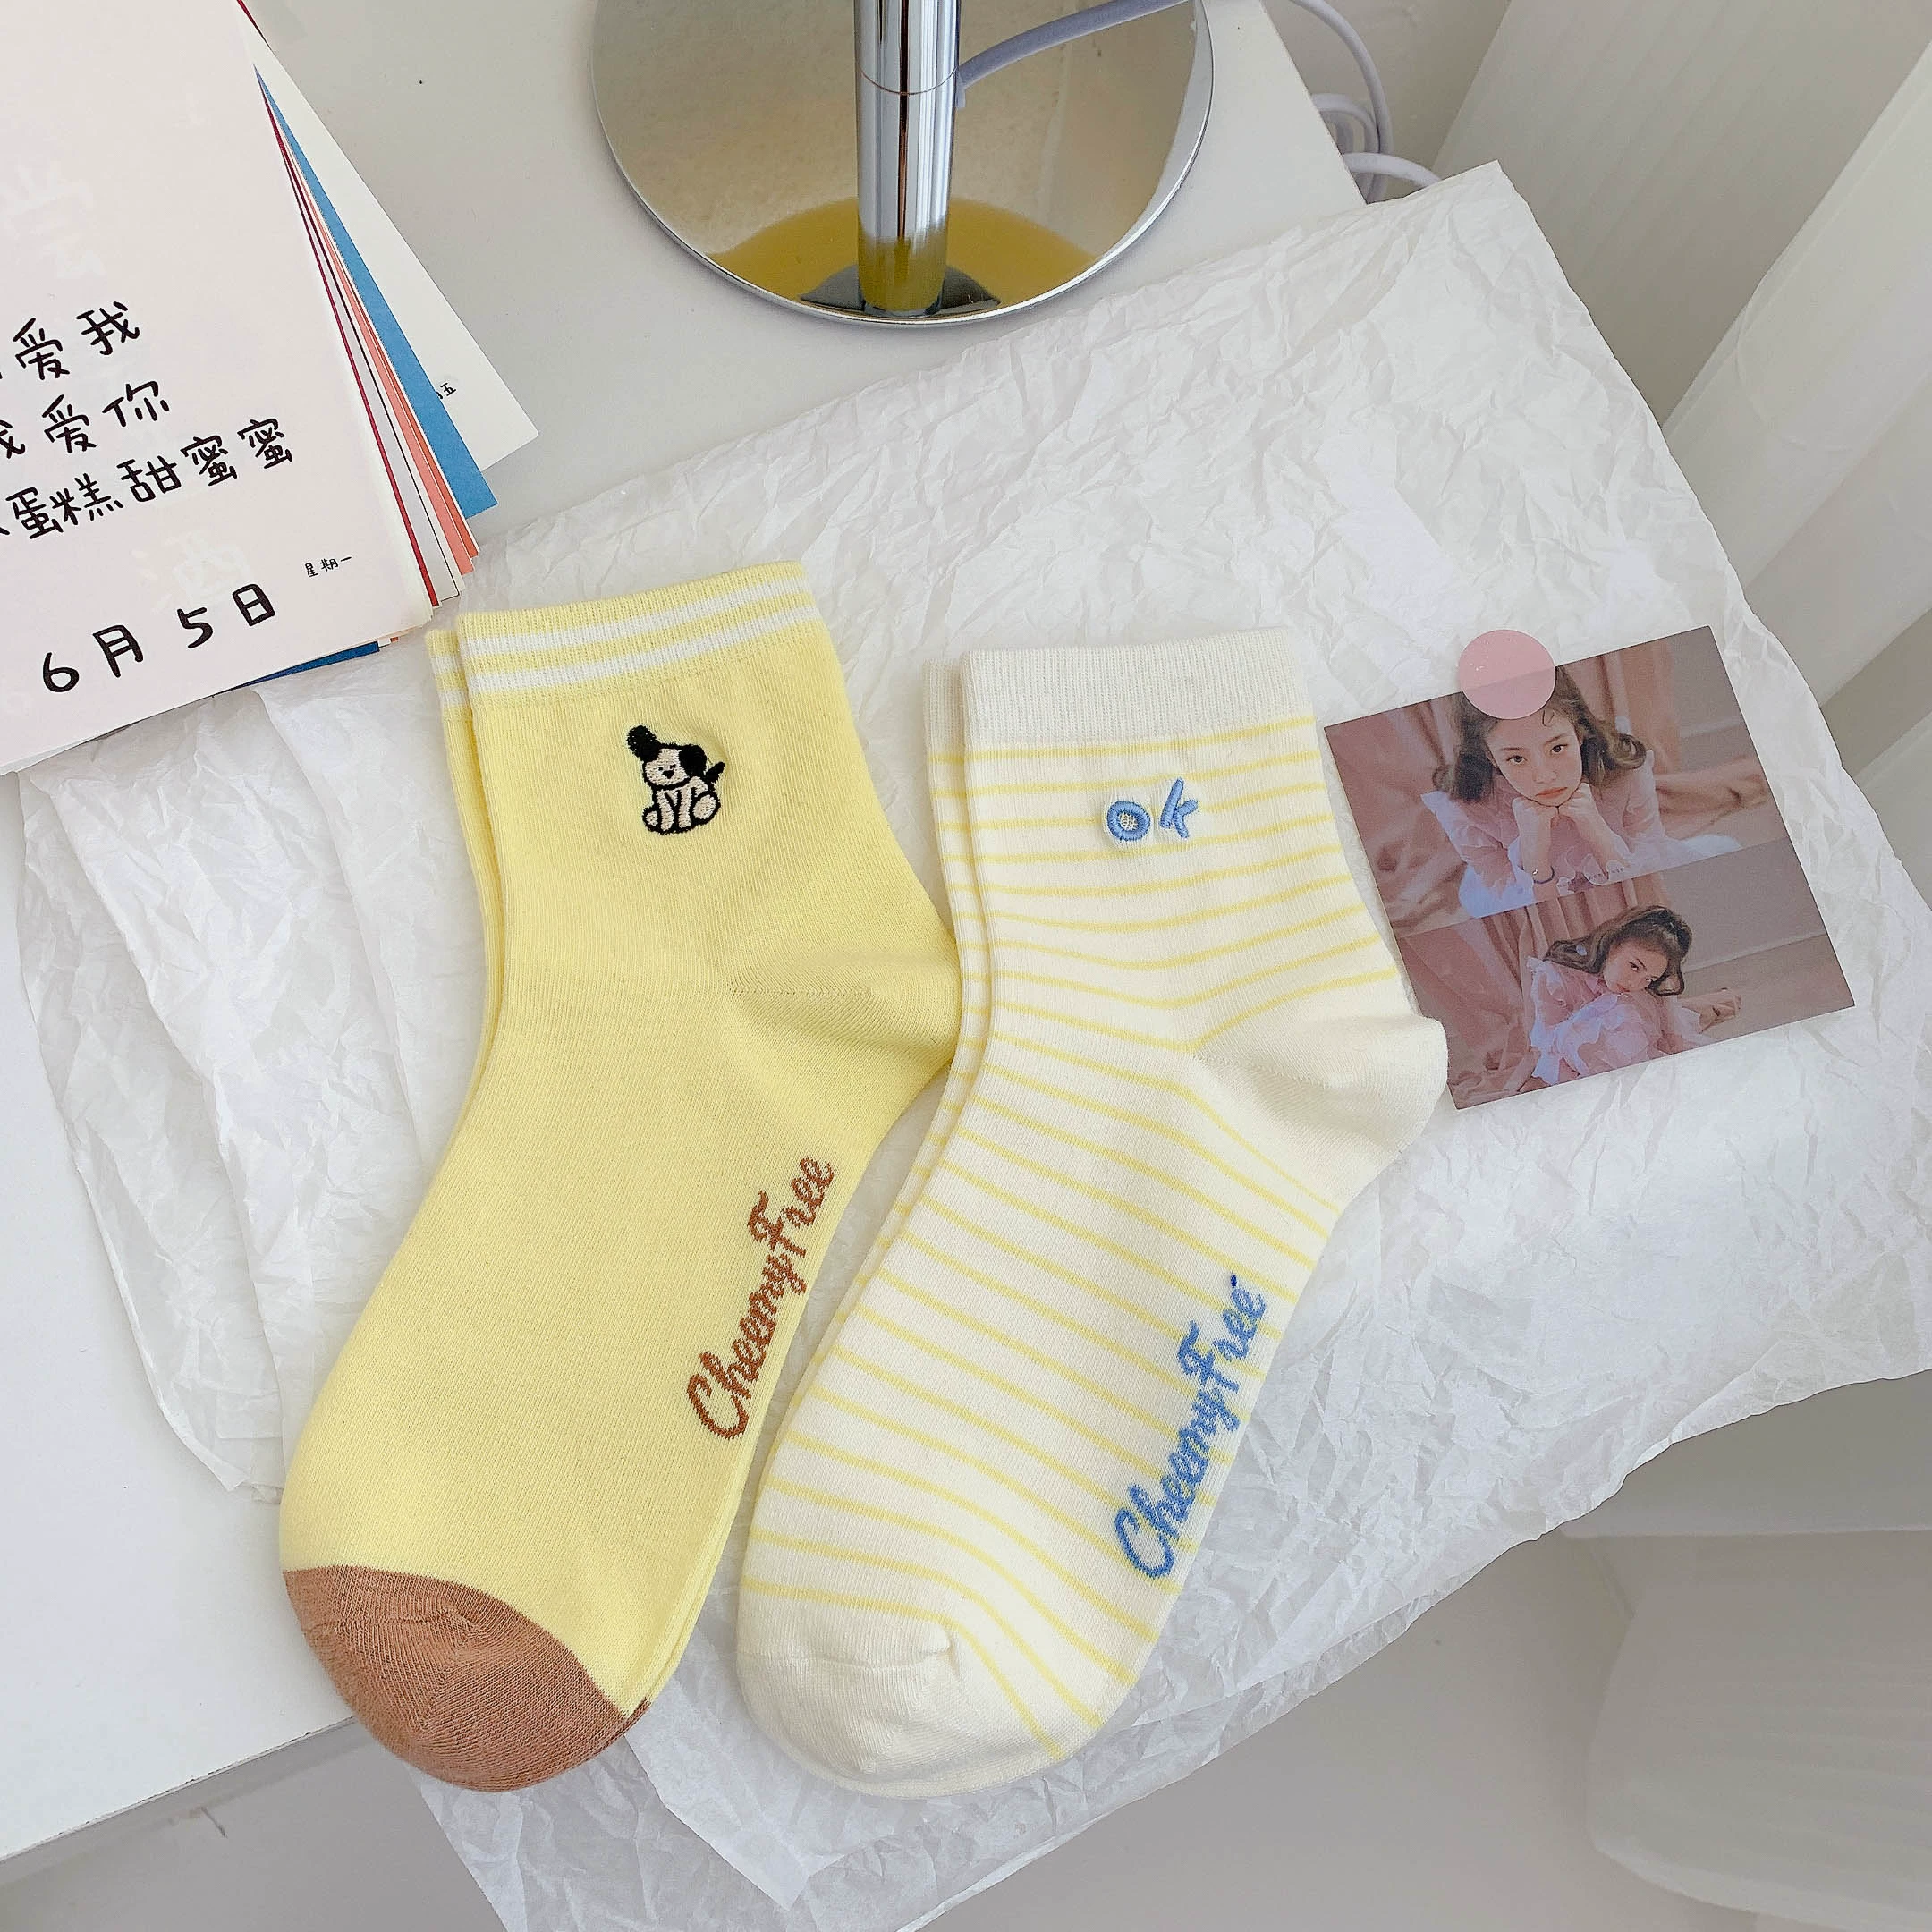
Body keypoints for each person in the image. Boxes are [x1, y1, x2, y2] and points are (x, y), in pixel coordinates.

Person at [1422, 672, 1735, 917]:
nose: (1544, 775)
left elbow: (1649, 865)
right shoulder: (1465, 809)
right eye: (1516, 758)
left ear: (1579, 733)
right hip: (1518, 887)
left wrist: (1598, 833)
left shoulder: (1624, 769)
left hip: (1621, 861)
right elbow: (1533, 909)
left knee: (1725, 850)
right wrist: (1533, 850)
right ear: (1491, 758)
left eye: (1558, 748)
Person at [1528, 905, 1741, 1086]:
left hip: (1638, 1032)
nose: (1634, 983)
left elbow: (1674, 1040)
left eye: (1648, 978)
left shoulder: (1642, 990)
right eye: (1634, 966)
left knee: (1676, 1020)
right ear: (1613, 943)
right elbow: (1551, 1045)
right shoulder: (1554, 976)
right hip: (1575, 1057)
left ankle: (1712, 1004)